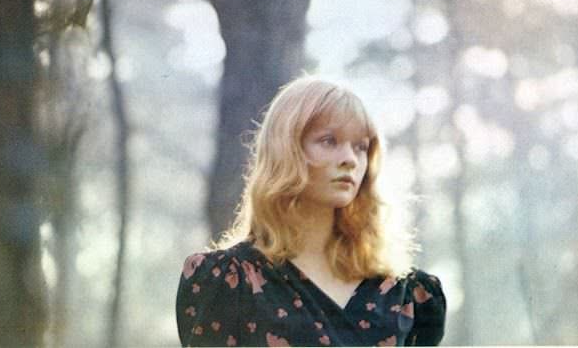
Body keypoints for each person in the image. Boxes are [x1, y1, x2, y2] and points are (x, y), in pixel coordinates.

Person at [176, 76, 446, 347]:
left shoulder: (410, 296)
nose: (350, 159)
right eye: (329, 141)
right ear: (286, 149)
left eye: (361, 147)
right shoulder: (228, 282)